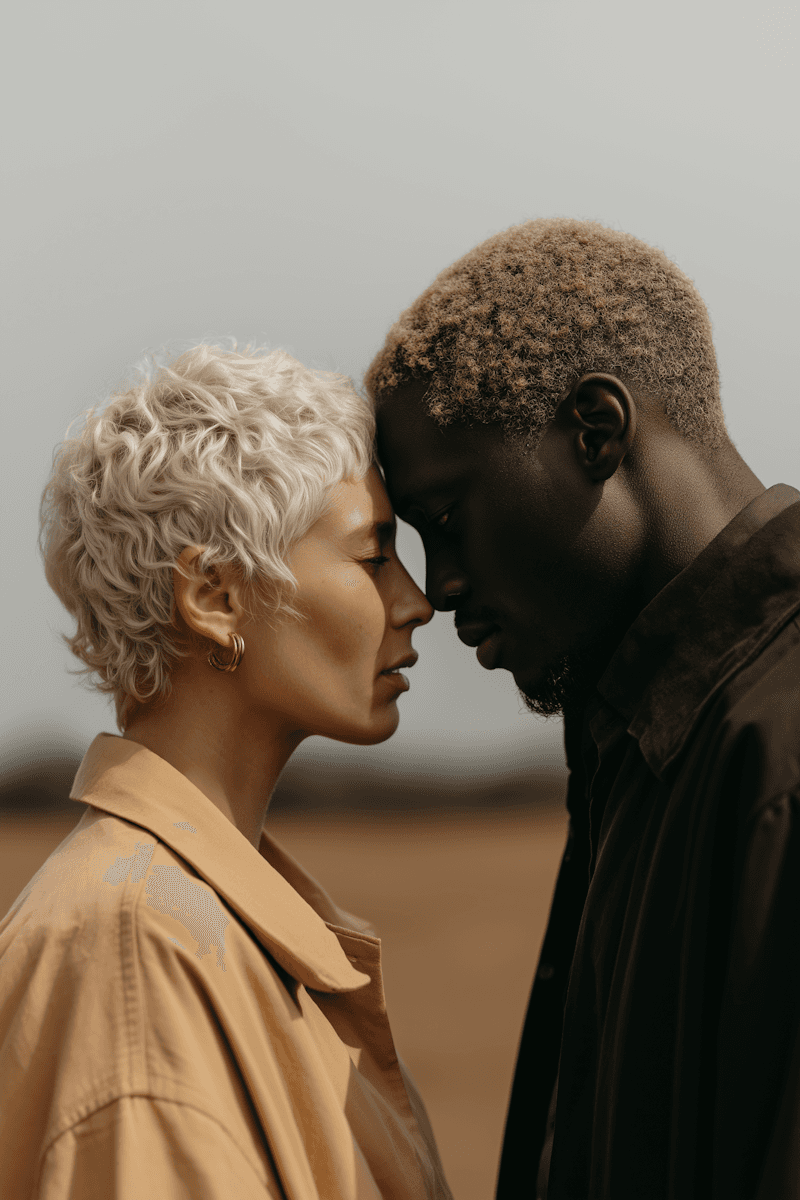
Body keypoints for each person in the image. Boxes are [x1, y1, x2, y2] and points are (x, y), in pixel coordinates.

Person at [367, 218, 800, 1200]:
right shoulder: (641, 735)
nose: (436, 591)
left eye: (445, 519)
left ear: (595, 431)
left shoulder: (777, 753)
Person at [0, 345, 453, 1200]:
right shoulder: (135, 955)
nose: (415, 601)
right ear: (214, 595)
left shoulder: (187, 917)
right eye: (372, 556)